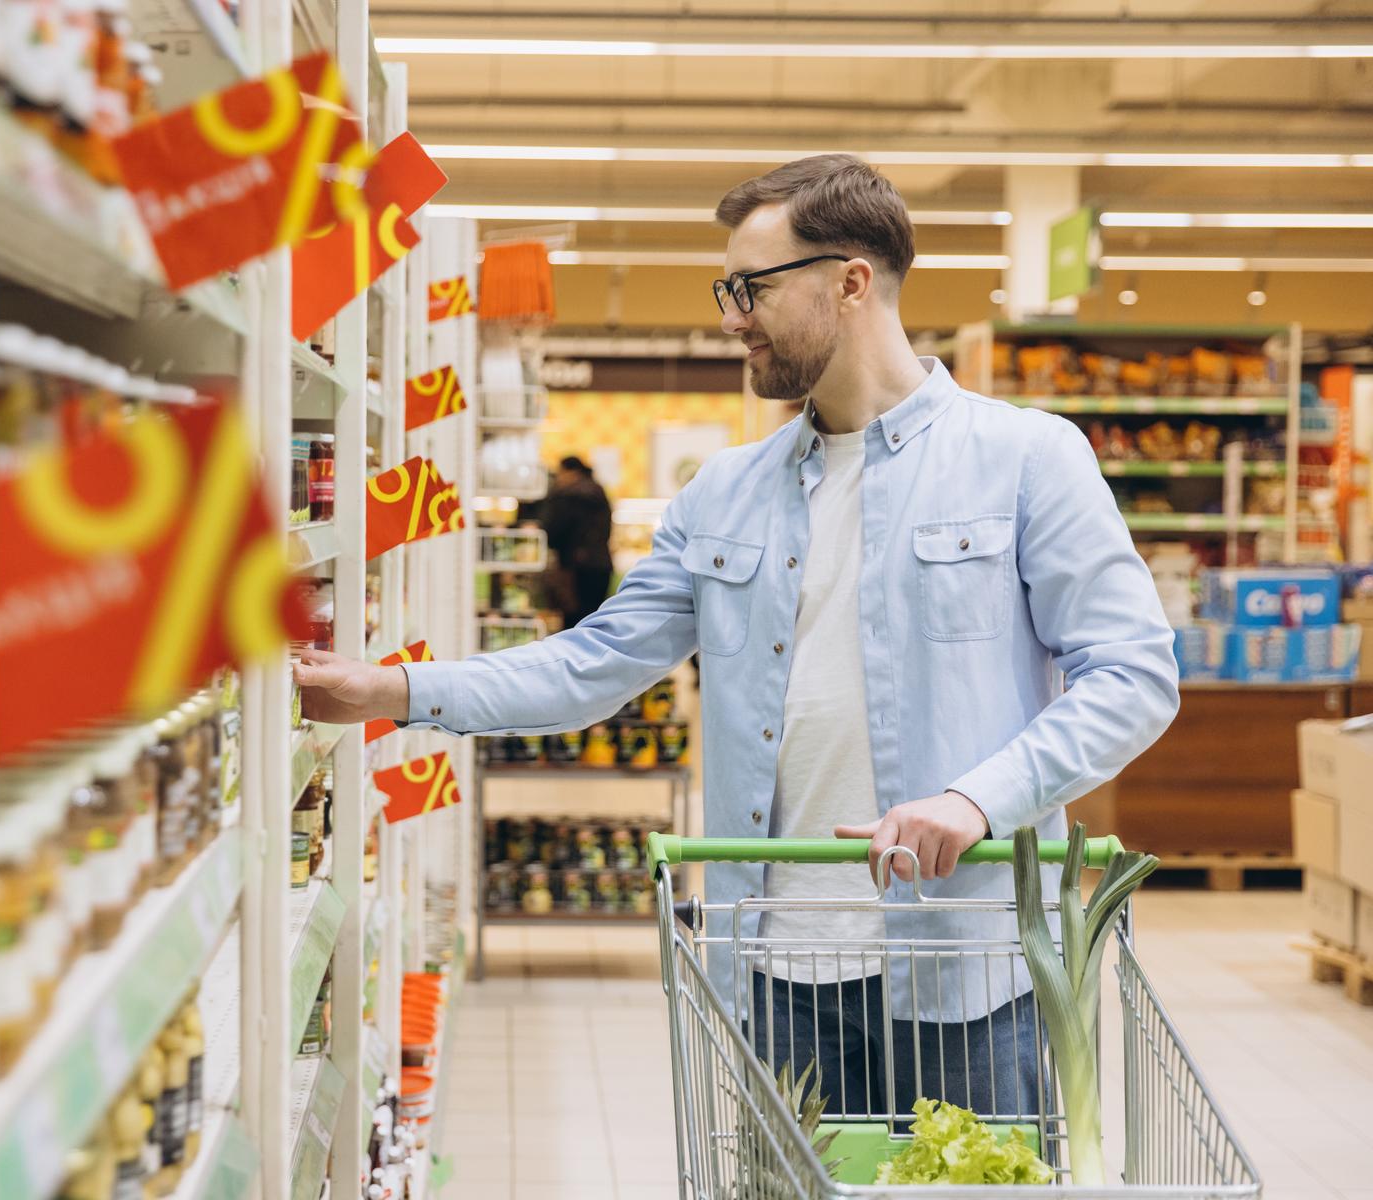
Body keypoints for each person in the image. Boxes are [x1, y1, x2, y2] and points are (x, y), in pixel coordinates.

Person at [295, 154, 1178, 1120]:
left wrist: (976, 799)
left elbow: (1133, 676)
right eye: (728, 290)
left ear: (849, 282)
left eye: (750, 289)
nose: (730, 318)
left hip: (963, 970)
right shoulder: (723, 494)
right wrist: (390, 692)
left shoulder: (1026, 460)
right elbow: (592, 665)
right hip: (779, 969)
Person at [535, 455, 614, 628]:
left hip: (575, 568)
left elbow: (554, 531)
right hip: (601, 565)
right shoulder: (597, 490)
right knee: (593, 619)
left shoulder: (567, 495)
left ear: (569, 472)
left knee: (574, 621)